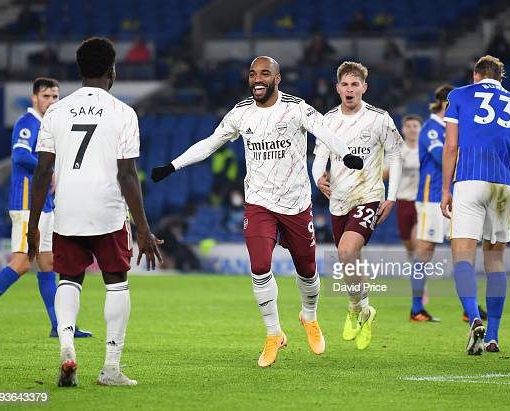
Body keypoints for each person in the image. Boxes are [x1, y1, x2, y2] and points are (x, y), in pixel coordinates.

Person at [151, 56, 363, 367]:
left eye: (265, 73)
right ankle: (273, 333)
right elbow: (211, 142)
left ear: (278, 78)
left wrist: (346, 155)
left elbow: (325, 131)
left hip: (296, 203)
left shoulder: (296, 107)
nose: (257, 79)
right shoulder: (240, 113)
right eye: (253, 74)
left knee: (307, 270)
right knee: (260, 265)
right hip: (259, 202)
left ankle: (309, 317)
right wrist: (173, 165)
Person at [27, 37, 163, 386]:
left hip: (68, 209)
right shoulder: (123, 113)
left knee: (68, 279)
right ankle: (111, 369)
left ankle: (68, 347)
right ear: (111, 70)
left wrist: (33, 225)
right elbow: (127, 174)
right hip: (107, 210)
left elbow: (42, 171)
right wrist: (144, 228)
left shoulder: (56, 111)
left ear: (80, 70)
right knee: (116, 283)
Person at [0, 78, 92, 339]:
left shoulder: (47, 126)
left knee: (48, 263)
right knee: (21, 262)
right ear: (34, 99)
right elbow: (19, 156)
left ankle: (60, 325)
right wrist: (50, 170)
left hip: (44, 205)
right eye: (46, 96)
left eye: (55, 97)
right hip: (27, 203)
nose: (51, 101)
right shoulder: (28, 124)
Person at [312, 61, 403, 350]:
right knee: (350, 260)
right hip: (338, 199)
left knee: (347, 251)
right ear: (338, 88)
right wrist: (318, 178)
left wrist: (392, 196)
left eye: (355, 84)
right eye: (345, 85)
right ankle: (361, 309)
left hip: (369, 195)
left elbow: (396, 157)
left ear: (364, 87)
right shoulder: (327, 120)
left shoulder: (379, 119)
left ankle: (357, 308)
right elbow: (318, 159)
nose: (349, 89)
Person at [441, 55, 510, 354]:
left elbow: (451, 146)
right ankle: (493, 336)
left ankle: (474, 318)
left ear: (476, 75)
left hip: (469, 181)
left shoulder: (460, 95)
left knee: (463, 259)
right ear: (501, 78)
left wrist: (445, 189)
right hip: (503, 186)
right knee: (496, 262)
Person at [409, 84, 454, 322]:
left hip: (455, 196)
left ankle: (470, 309)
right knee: (425, 250)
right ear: (446, 104)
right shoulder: (432, 129)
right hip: (431, 198)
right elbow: (441, 157)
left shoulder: (454, 129)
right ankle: (416, 308)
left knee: (462, 250)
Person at [384, 114, 422, 260]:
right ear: (403, 130)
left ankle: (419, 274)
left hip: (421, 201)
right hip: (402, 200)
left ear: (420, 129)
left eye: (415, 126)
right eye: (408, 126)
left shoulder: (427, 150)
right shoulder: (396, 151)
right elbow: (383, 176)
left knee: (417, 238)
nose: (412, 129)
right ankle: (412, 255)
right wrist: (397, 164)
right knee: (407, 240)